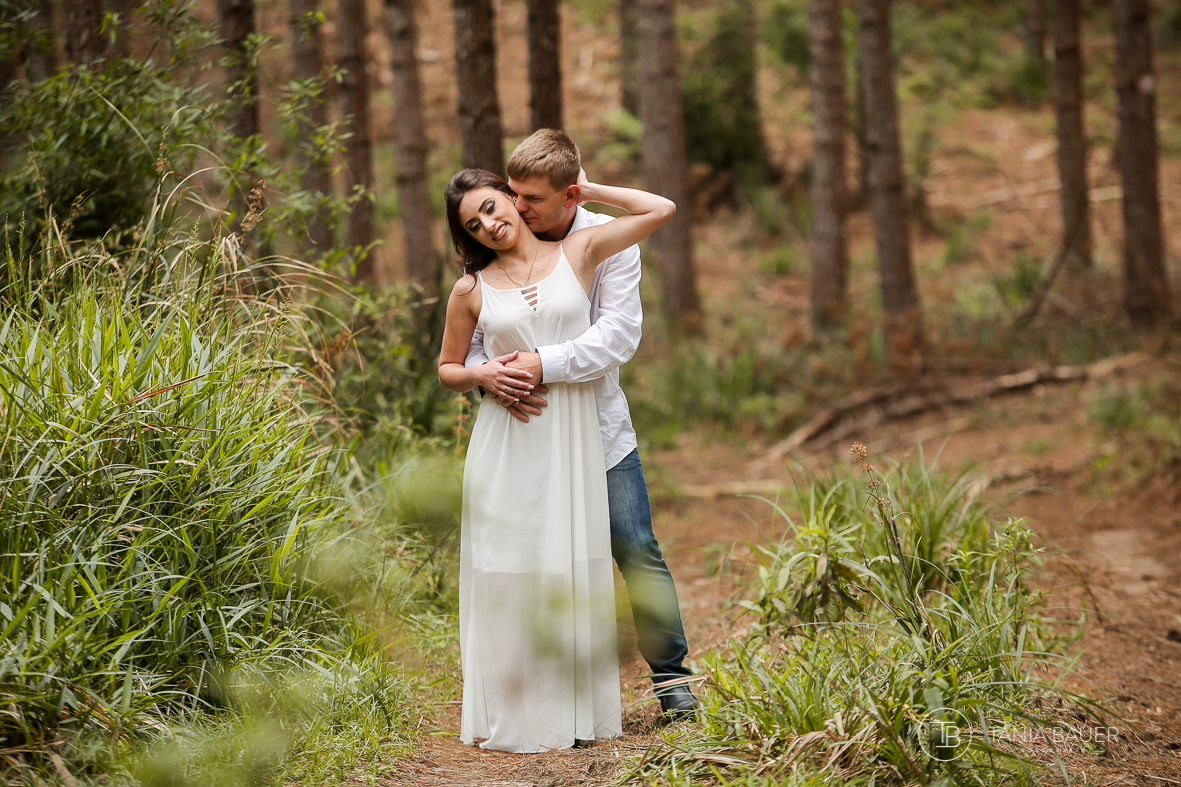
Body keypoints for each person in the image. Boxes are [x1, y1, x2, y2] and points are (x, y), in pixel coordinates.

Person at [438, 166, 676, 753]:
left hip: (590, 430)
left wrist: (587, 189)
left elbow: (659, 209)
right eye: (475, 222)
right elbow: (450, 367)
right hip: (511, 441)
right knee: (512, 564)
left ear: (517, 200)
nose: (491, 223)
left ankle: (668, 683)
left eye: (496, 205)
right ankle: (521, 703)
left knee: (619, 549)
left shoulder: (583, 246)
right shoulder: (471, 288)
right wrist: (483, 374)